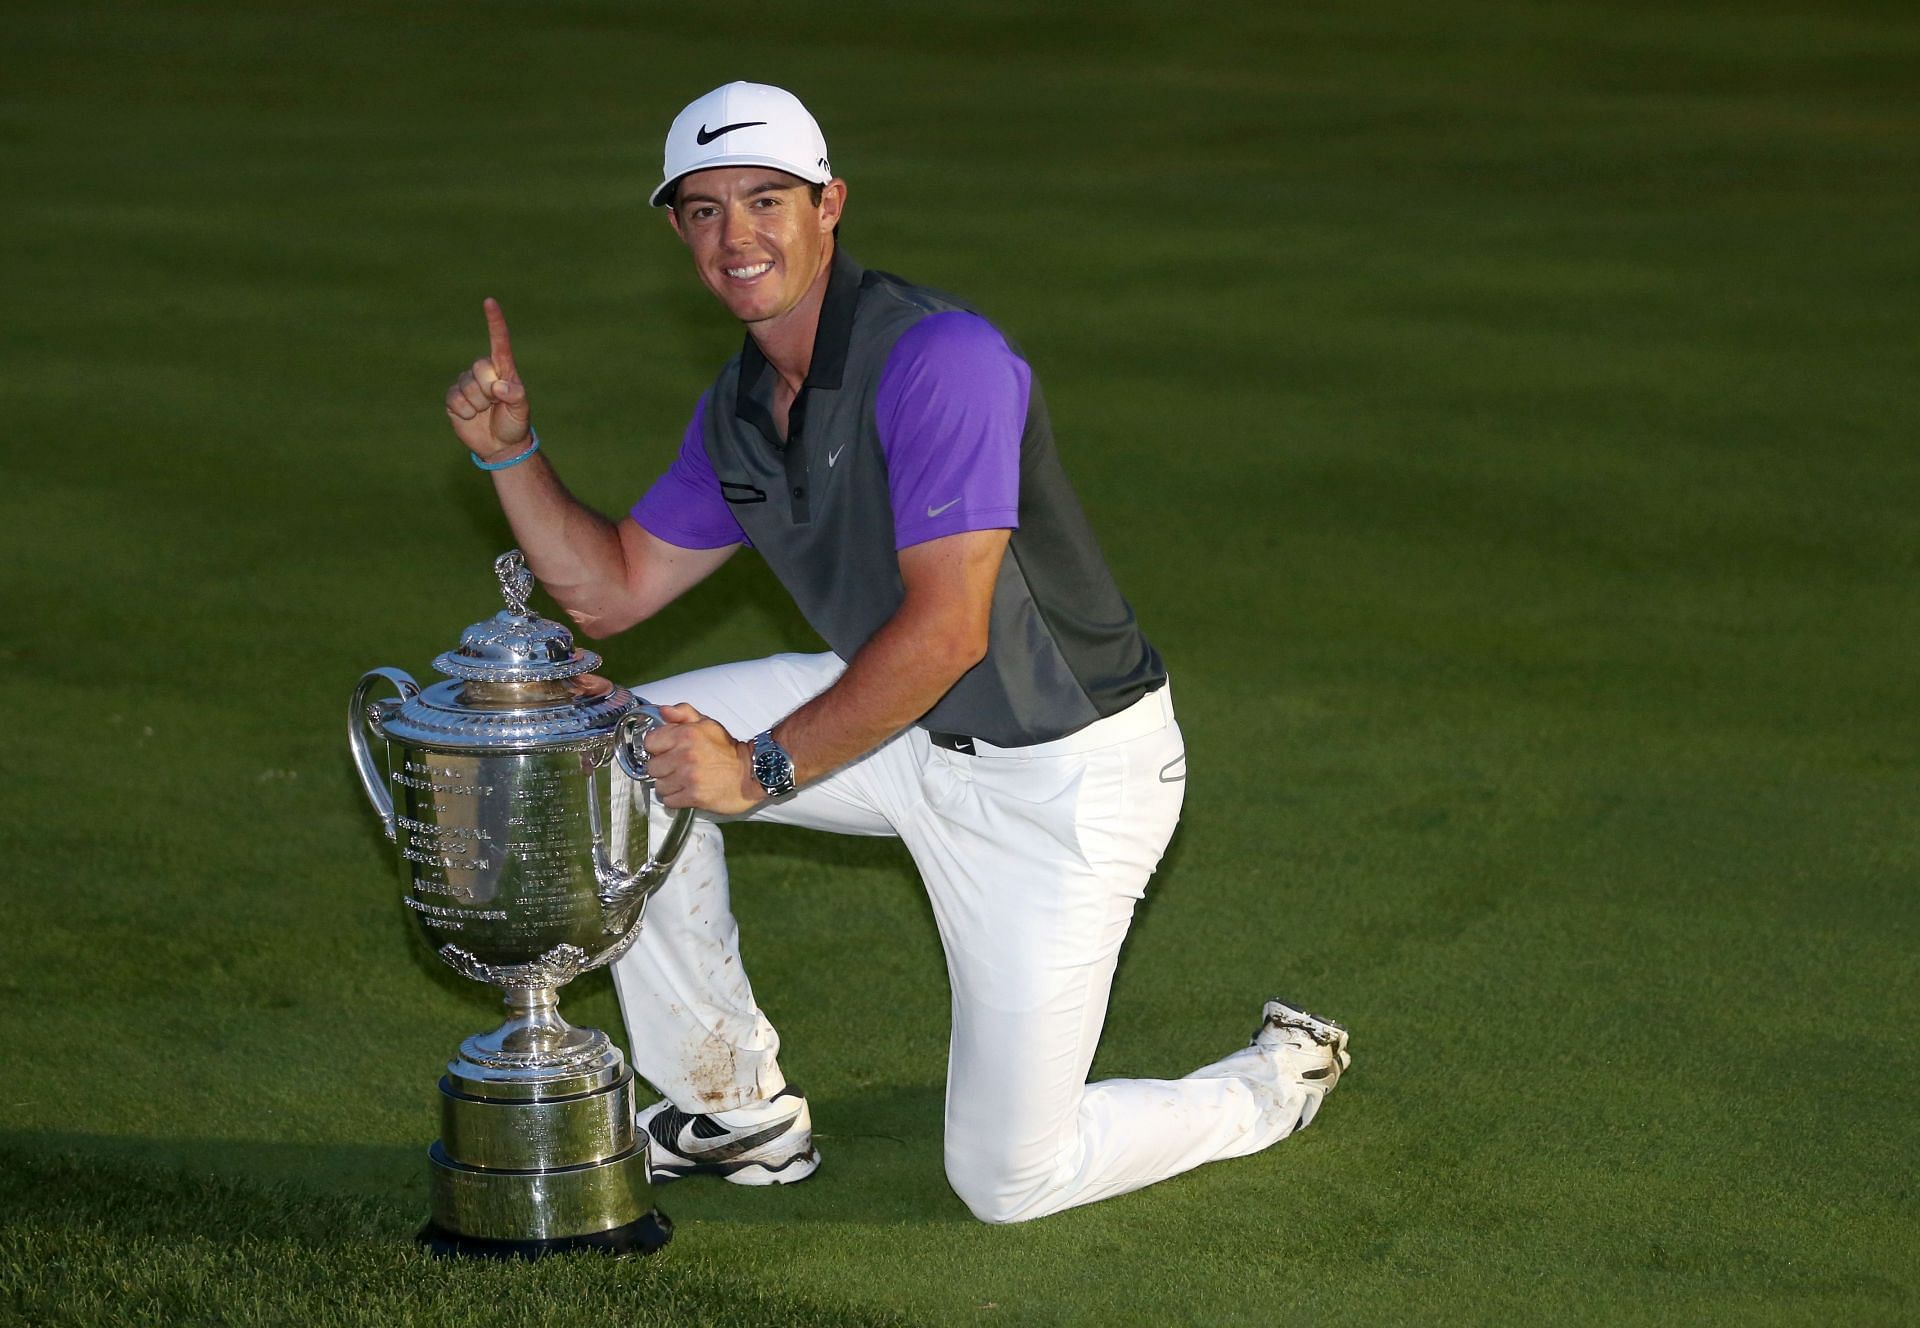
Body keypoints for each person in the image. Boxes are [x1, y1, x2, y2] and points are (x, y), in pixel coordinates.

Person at [441, 81, 1351, 1224]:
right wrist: (511, 454)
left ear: (830, 204)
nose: (739, 235)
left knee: (1010, 1178)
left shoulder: (940, 359)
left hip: (1063, 780)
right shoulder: (739, 410)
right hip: (905, 724)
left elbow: (949, 627)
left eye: (767, 199)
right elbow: (612, 589)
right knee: (620, 751)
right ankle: (732, 1113)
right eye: (707, 210)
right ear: (677, 229)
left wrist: (761, 766)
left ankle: (1266, 1087)